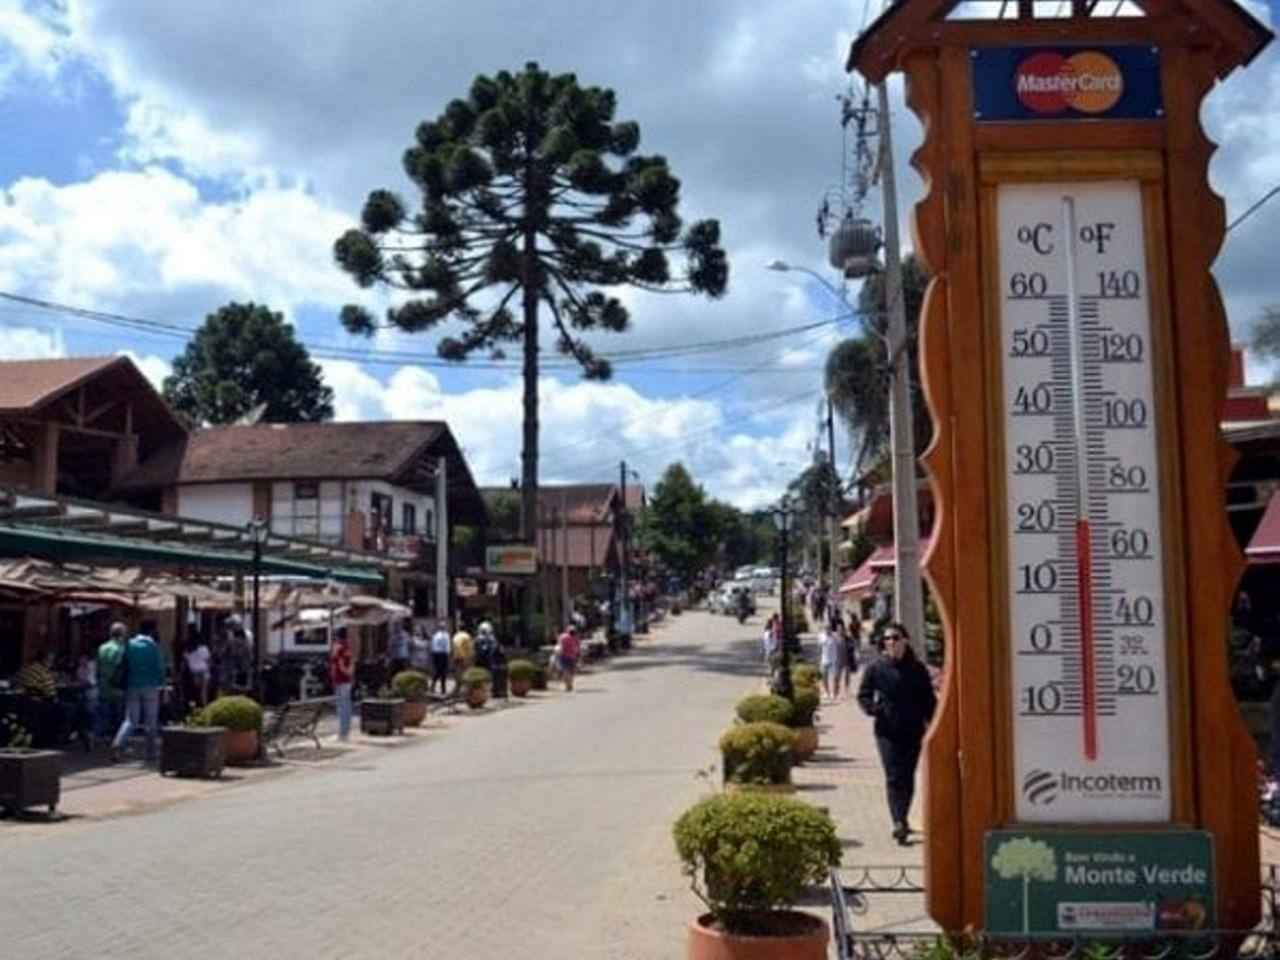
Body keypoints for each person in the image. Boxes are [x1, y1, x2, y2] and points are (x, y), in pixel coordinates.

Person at [857, 623, 937, 845]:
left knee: (907, 776)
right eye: (887, 639)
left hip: (912, 731)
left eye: (895, 638)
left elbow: (928, 701)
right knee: (893, 776)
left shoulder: (917, 670)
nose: (891, 642)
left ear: (905, 641)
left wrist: (935, 724)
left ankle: (903, 815)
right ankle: (898, 822)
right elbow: (863, 695)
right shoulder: (876, 668)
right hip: (887, 732)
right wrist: (875, 710)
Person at [110, 621, 167, 764]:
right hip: (150, 686)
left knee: (130, 720)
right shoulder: (154, 647)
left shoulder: (129, 645)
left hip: (132, 685)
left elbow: (122, 663)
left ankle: (117, 743)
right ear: (152, 632)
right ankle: (151, 753)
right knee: (151, 721)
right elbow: (160, 667)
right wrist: (163, 684)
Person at [96, 623, 128, 746]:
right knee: (119, 717)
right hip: (117, 687)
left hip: (103, 685)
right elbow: (122, 667)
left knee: (103, 714)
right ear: (122, 634)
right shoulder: (121, 648)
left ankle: (97, 737)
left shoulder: (102, 647)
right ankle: (117, 742)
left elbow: (98, 666)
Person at [330, 627, 354, 741]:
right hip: (347, 680)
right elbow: (352, 662)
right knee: (347, 705)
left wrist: (345, 672)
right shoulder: (347, 648)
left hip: (340, 680)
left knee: (341, 706)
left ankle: (341, 734)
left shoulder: (338, 648)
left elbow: (340, 664)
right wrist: (350, 673)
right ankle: (346, 731)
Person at [184, 631, 212, 706]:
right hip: (203, 672)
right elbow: (208, 661)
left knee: (194, 692)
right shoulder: (204, 649)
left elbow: (186, 663)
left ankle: (195, 706)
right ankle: (202, 707)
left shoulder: (187, 650)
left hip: (194, 672)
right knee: (203, 693)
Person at [819, 623, 843, 700]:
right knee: (824, 676)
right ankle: (826, 692)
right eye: (826, 628)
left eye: (828, 628)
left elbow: (840, 645)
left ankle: (834, 693)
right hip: (824, 659)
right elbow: (819, 648)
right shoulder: (821, 636)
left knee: (834, 677)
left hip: (834, 659)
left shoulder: (835, 636)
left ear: (831, 629)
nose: (827, 630)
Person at [555, 624, 581, 692]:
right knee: (570, 671)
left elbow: (560, 646)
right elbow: (578, 648)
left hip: (563, 655)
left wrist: (558, 653)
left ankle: (567, 684)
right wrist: (578, 655)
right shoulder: (576, 638)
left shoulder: (563, 637)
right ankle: (569, 684)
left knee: (565, 670)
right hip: (572, 656)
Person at [839, 620, 861, 698]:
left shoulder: (849, 639)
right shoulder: (836, 639)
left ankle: (846, 690)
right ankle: (841, 691)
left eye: (842, 630)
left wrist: (856, 658)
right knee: (839, 676)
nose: (841, 632)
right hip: (838, 660)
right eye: (839, 630)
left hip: (848, 659)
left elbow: (854, 648)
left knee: (846, 675)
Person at [429, 621, 452, 695]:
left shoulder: (435, 635)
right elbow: (447, 646)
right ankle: (443, 689)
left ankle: (432, 687)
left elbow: (432, 646)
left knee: (436, 671)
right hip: (443, 654)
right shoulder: (446, 635)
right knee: (443, 672)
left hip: (435, 654)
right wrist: (449, 655)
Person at [451, 622, 475, 690]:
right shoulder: (467, 636)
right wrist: (471, 656)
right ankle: (466, 688)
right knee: (466, 673)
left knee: (458, 673)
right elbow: (470, 647)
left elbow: (454, 647)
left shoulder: (455, 636)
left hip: (456, 657)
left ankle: (458, 687)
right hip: (464, 657)